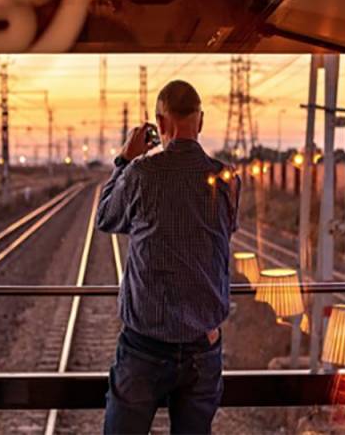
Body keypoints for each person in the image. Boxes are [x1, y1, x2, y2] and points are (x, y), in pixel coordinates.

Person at [97, 80, 240, 434]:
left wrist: (125, 158)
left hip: (144, 347)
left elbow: (106, 218)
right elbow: (223, 232)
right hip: (203, 349)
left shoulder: (141, 174)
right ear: (200, 121)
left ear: (160, 125)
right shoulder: (226, 179)